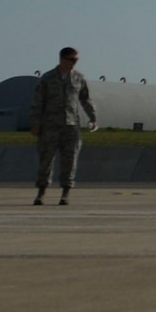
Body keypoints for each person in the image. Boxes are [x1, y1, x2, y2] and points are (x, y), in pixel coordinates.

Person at [30, 48, 97, 206]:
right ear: (62, 59)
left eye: (76, 60)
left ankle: (65, 193)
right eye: (72, 59)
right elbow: (37, 102)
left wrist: (93, 118)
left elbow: (86, 99)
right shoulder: (47, 78)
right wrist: (35, 123)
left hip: (71, 125)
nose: (74, 63)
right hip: (50, 126)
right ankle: (41, 192)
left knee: (70, 160)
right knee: (46, 160)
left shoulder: (78, 78)